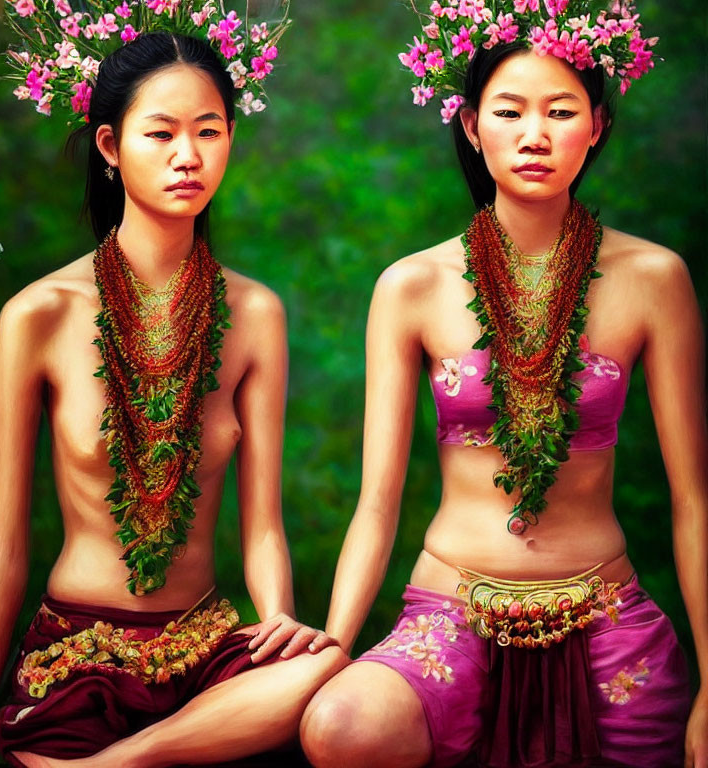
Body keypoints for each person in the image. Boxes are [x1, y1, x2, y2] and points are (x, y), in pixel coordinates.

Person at [300, 2, 707, 767]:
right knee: (342, 728)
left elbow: (695, 499)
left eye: (560, 111)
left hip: (606, 614)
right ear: (468, 123)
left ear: (598, 125)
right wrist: (334, 642)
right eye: (510, 111)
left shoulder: (654, 278)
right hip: (451, 610)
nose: (534, 135)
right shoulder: (412, 286)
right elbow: (377, 503)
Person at [0, 5, 347, 767]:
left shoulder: (254, 314)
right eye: (160, 133)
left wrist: (281, 619)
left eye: (208, 130)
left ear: (231, 138)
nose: (187, 155)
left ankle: (116, 766)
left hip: (205, 651)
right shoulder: (37, 315)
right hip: (76, 659)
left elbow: (261, 524)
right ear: (111, 145)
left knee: (326, 664)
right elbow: (5, 551)